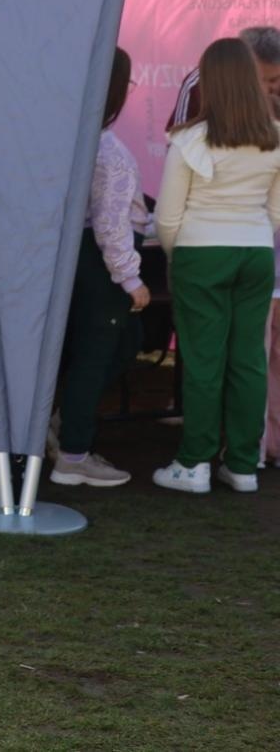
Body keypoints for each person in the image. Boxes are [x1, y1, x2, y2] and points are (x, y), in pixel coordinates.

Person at [152, 37, 280, 495]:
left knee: (204, 361)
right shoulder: (274, 137)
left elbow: (167, 217)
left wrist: (177, 253)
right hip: (256, 252)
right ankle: (243, 465)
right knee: (248, 359)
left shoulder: (188, 139)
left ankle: (194, 464)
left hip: (201, 253)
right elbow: (277, 212)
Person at [50, 49, 150, 488]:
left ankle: (64, 424)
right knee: (96, 354)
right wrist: (130, 278)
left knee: (126, 341)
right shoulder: (105, 149)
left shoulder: (77, 135)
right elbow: (110, 224)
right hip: (103, 264)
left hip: (87, 258)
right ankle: (73, 453)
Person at [166, 25, 280, 129]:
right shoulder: (201, 82)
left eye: (273, 80)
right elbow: (178, 140)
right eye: (256, 79)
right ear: (238, 63)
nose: (265, 89)